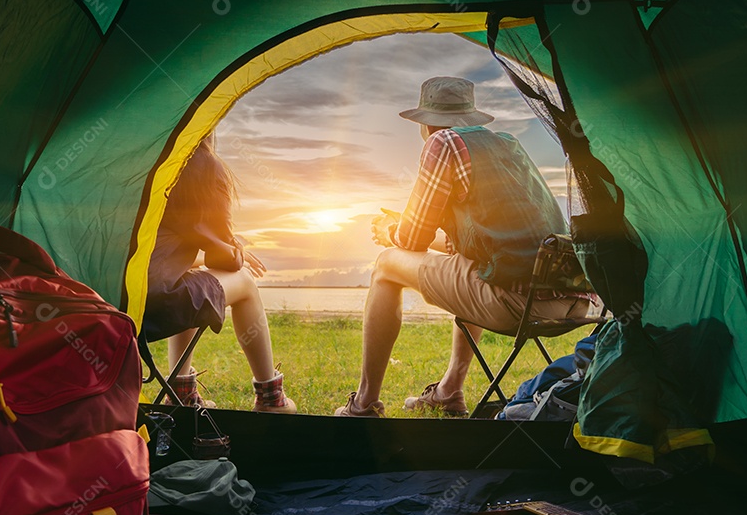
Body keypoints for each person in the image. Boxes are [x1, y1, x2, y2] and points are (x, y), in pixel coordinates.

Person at [335, 76, 592, 417]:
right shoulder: (507, 144)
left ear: (426, 123)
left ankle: (364, 404)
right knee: (466, 263)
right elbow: (477, 244)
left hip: (517, 303)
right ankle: (449, 391)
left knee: (385, 265)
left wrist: (391, 229)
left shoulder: (443, 142)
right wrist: (407, 229)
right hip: (572, 302)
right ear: (472, 117)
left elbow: (413, 240)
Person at [142, 133, 296, 413]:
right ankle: (271, 398)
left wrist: (204, 257)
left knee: (191, 282)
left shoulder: (141, 158)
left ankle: (182, 391)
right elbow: (225, 257)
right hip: (154, 307)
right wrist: (237, 250)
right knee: (246, 283)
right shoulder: (199, 163)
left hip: (111, 303)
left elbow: (153, 252)